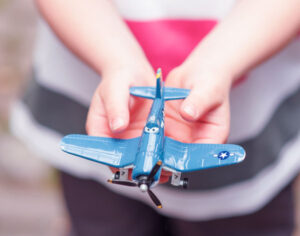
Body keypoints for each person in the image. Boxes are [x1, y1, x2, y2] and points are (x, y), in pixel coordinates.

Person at [10, 0, 300, 235]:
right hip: (90, 101)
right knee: (100, 223)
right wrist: (116, 60)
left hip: (250, 125)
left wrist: (218, 65)